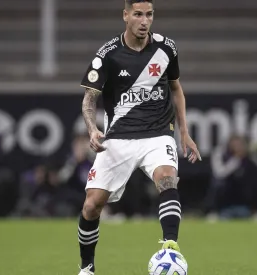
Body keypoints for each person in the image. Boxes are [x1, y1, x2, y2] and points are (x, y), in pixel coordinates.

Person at [77, 1, 201, 274]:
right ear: (125, 16)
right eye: (138, 15)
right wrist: (92, 129)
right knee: (91, 205)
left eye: (149, 15)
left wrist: (184, 132)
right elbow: (89, 99)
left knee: (167, 178)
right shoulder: (108, 55)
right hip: (118, 137)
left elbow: (176, 89)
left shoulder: (166, 48)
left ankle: (170, 246)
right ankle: (87, 267)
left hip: (158, 134)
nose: (144, 21)